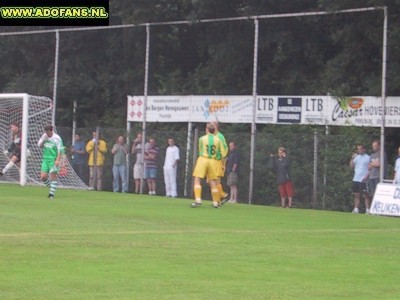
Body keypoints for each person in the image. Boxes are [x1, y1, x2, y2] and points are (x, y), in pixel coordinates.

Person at [191, 123, 228, 208]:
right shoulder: (218, 140)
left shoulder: (202, 139)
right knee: (212, 181)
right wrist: (222, 162)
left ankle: (198, 200)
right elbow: (223, 153)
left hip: (203, 159)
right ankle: (216, 202)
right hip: (212, 161)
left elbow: (200, 150)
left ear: (207, 129)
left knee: (197, 179)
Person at [37, 124, 64, 199]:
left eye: (48, 132)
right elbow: (39, 145)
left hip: (53, 159)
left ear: (51, 131)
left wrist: (57, 160)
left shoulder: (57, 138)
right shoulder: (44, 136)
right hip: (45, 159)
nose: (46, 133)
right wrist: (44, 140)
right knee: (43, 177)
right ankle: (52, 188)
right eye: (45, 132)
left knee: (53, 175)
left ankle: (51, 194)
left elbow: (60, 150)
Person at [210, 122, 229, 203]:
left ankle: (220, 197)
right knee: (212, 180)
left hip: (217, 160)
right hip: (211, 161)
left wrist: (223, 162)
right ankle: (220, 196)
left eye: (212, 125)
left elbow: (224, 149)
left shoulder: (220, 136)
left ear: (216, 127)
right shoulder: (211, 136)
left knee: (215, 180)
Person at [350, 144, 370, 214]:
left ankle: (367, 210)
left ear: (364, 149)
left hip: (363, 179)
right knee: (356, 194)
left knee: (365, 195)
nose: (359, 150)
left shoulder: (368, 157)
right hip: (356, 178)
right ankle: (356, 209)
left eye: (360, 149)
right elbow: (351, 166)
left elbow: (370, 168)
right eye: (358, 149)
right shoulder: (357, 157)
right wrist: (352, 158)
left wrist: (367, 176)